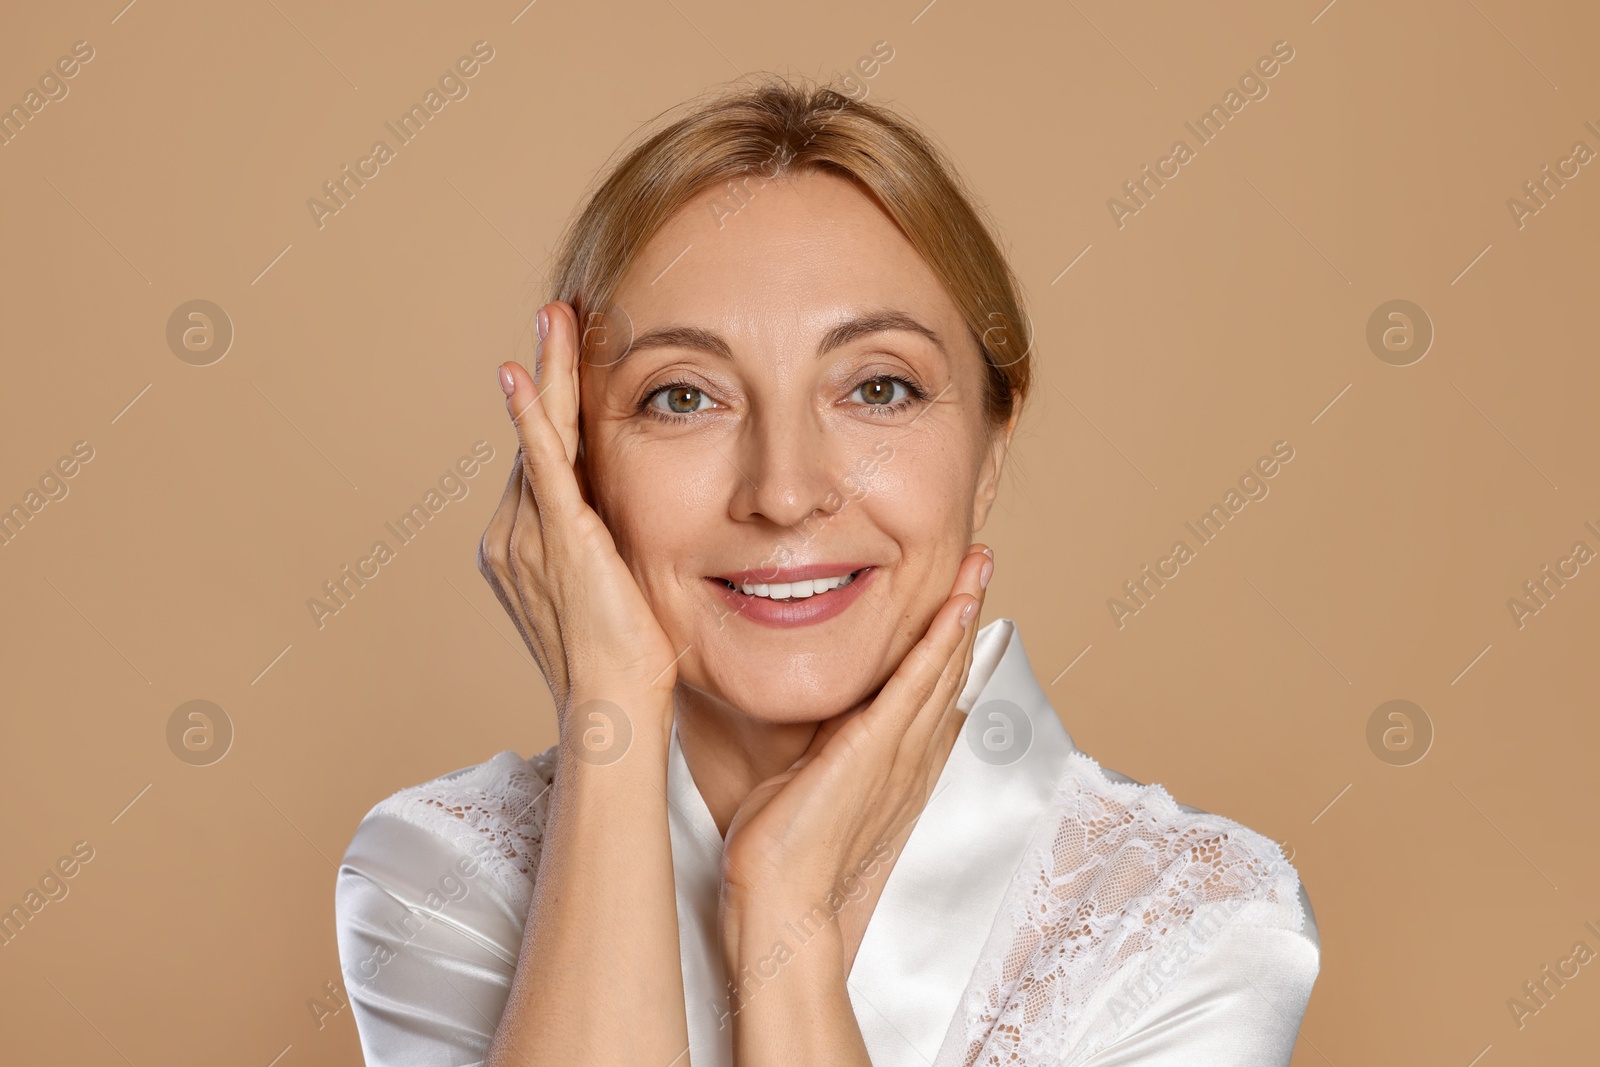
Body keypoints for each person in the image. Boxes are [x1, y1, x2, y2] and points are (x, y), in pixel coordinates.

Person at [334, 75, 1319, 1067]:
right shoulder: (441, 874)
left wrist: (784, 920)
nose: (784, 489)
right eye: (682, 397)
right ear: (574, 464)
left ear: (990, 447)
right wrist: (612, 721)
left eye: (878, 388)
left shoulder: (1198, 925)